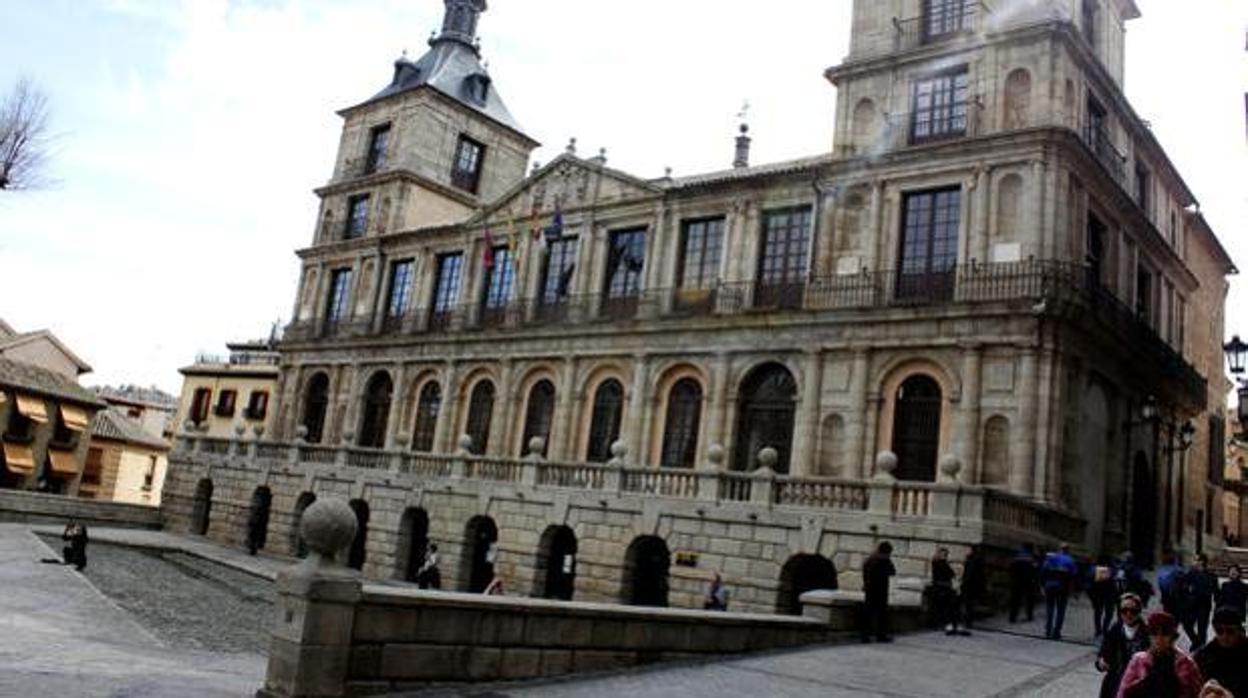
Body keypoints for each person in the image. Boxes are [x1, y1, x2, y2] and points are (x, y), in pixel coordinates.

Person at [1117, 610, 1204, 698]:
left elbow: (1200, 693)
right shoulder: (1138, 661)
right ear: (1149, 636)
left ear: (1172, 636)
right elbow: (1122, 693)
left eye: (1165, 634)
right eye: (1154, 634)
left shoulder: (1185, 663)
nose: (1159, 639)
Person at [1097, 593, 1150, 698]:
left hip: (1139, 684)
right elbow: (1103, 654)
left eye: (1133, 611)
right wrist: (1101, 662)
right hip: (1115, 682)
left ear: (1139, 611)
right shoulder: (1114, 630)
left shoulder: (1147, 633)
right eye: (1124, 611)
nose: (1128, 614)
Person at [1193, 607, 1248, 698]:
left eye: (1230, 631)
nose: (1224, 636)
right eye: (1219, 631)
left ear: (1239, 631)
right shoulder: (1204, 655)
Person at [861, 541, 896, 643]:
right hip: (880, 590)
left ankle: (865, 636)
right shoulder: (884, 561)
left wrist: (866, 584)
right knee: (881, 614)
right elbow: (892, 572)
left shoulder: (870, 560)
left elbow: (865, 573)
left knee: (868, 613)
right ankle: (880, 635)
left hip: (870, 589)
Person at [1042, 543, 1077, 640]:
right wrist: (1072, 590)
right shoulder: (1070, 561)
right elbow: (1073, 576)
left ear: (1059, 549)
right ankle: (1056, 632)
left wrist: (1043, 584)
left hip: (1049, 585)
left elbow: (1043, 571)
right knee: (1060, 610)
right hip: (1062, 588)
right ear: (1068, 550)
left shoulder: (1051, 558)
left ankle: (1048, 630)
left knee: (1050, 608)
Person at [1183, 555, 1218, 648]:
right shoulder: (1191, 573)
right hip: (1191, 605)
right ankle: (1196, 642)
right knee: (1187, 625)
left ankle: (1201, 649)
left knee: (1202, 630)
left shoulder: (1211, 575)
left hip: (1204, 606)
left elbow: (1215, 591)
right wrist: (1188, 591)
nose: (1194, 562)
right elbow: (1184, 586)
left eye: (1196, 560)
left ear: (1201, 562)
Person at [931, 548, 966, 636]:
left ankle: (953, 625)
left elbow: (951, 574)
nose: (945, 556)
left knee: (951, 607)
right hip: (942, 589)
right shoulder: (938, 563)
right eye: (943, 554)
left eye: (946, 554)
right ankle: (951, 626)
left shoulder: (942, 563)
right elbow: (946, 575)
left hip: (944, 589)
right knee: (949, 608)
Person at [1009, 543, 1038, 623]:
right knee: (1030, 599)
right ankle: (1029, 615)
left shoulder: (1016, 556)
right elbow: (1035, 570)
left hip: (1016, 581)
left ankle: (1012, 617)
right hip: (1028, 581)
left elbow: (1011, 568)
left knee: (1015, 600)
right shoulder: (1032, 558)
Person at [1091, 556, 1118, 638]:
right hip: (1109, 595)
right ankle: (1104, 629)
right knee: (1109, 613)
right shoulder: (1112, 571)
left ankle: (1098, 630)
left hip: (1098, 594)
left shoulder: (1095, 570)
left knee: (1098, 612)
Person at [961, 545, 987, 631]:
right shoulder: (978, 560)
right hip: (973, 585)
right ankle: (968, 621)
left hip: (970, 584)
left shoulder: (972, 560)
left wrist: (964, 582)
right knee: (970, 604)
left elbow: (968, 573)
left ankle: (967, 621)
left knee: (968, 604)